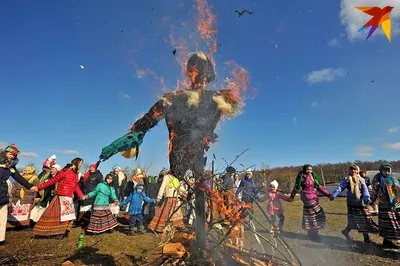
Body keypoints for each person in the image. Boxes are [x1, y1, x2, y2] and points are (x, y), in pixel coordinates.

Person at [30, 158, 86, 238]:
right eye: (81, 163)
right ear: (76, 163)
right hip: (62, 196)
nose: (81, 165)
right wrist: (39, 187)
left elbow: (75, 185)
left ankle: (62, 231)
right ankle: (54, 232)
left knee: (68, 215)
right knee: (62, 216)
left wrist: (81, 195)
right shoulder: (65, 171)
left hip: (69, 197)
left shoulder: (75, 173)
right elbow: (52, 181)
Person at [331, 164, 378, 245]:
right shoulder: (347, 180)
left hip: (360, 203)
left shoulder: (361, 180)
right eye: (351, 169)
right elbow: (340, 187)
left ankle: (363, 237)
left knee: (363, 220)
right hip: (351, 203)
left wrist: (368, 200)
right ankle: (358, 235)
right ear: (349, 171)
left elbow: (365, 191)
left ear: (358, 171)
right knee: (353, 220)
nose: (353, 171)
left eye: (355, 169)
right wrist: (333, 195)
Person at [289, 164, 333, 242]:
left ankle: (313, 233)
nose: (309, 171)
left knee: (313, 216)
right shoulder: (301, 177)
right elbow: (296, 187)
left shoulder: (313, 176)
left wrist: (328, 194)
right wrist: (292, 196)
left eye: (310, 169)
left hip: (314, 197)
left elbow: (318, 186)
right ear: (304, 170)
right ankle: (314, 235)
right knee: (314, 215)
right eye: (308, 169)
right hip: (307, 197)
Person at [0, 144, 34, 245]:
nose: (12, 157)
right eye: (11, 154)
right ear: (5, 153)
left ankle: (1, 239)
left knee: (2, 217)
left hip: (3, 194)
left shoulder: (11, 167)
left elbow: (18, 178)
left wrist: (30, 186)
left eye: (14, 156)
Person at [370, 163, 400, 248]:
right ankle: (387, 241)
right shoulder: (377, 179)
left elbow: (398, 189)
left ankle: (388, 241)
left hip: (394, 204)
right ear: (381, 170)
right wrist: (372, 201)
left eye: (389, 170)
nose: (387, 173)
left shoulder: (393, 178)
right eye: (385, 170)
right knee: (387, 224)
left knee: (395, 222)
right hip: (384, 205)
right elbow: (374, 192)